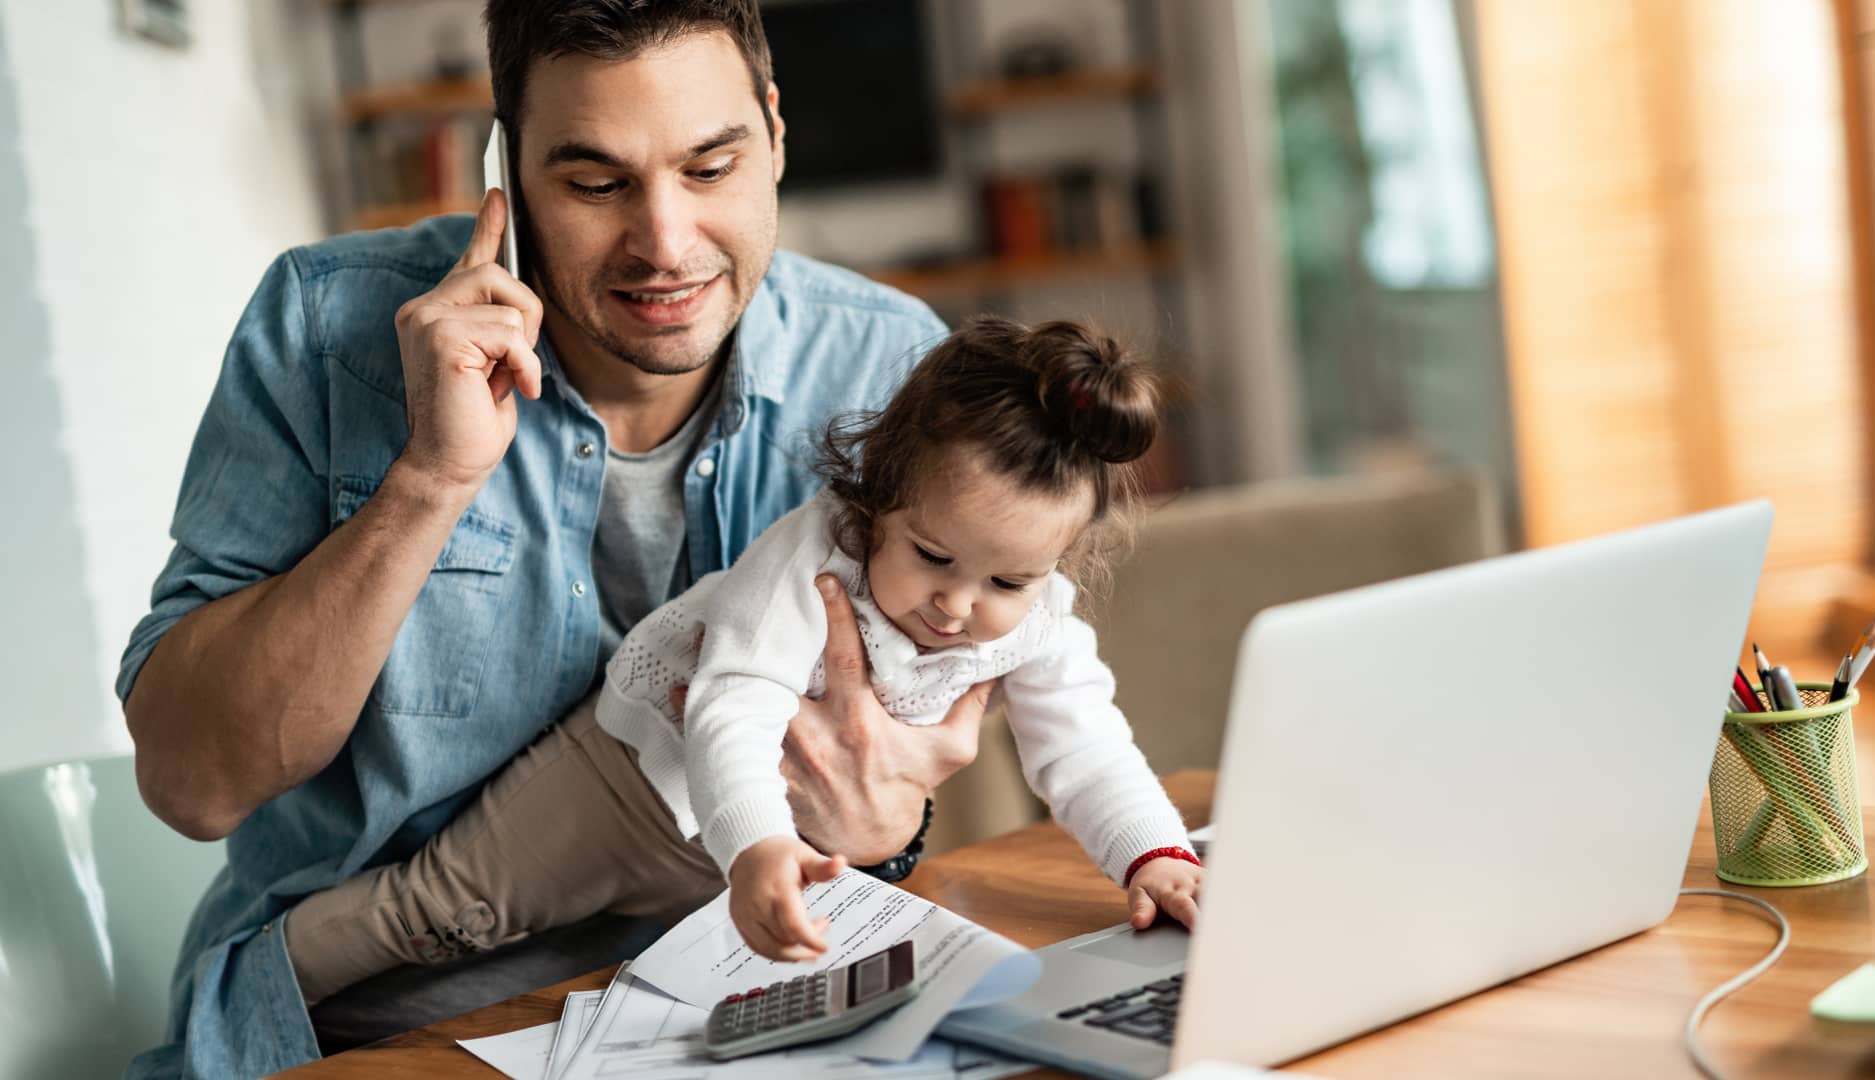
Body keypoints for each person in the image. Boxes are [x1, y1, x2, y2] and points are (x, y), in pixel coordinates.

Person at [115, 3, 989, 1075]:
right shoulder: (324, 330)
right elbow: (194, 785)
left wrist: (886, 828)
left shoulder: (888, 364)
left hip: (750, 1001)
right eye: (595, 184)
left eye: (710, 168)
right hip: (380, 1023)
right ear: (507, 169)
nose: (665, 244)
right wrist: (431, 478)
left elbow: (906, 759)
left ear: (774, 132)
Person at [281, 317, 1203, 1001]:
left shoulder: (1038, 622)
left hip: (748, 852)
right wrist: (760, 846)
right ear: (880, 495)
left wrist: (1153, 858)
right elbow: (734, 706)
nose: (959, 608)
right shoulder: (814, 556)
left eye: (1009, 580)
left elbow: (1086, 748)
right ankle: (272, 975)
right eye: (932, 557)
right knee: (442, 913)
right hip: (630, 781)